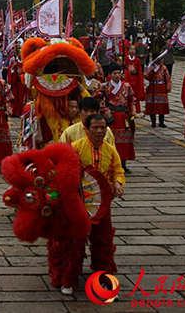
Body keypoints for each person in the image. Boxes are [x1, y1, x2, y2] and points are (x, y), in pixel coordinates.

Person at [52, 114, 125, 296]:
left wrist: (117, 182)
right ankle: (68, 279)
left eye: (103, 128)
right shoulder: (76, 148)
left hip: (102, 205)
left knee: (103, 242)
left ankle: (104, 279)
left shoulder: (110, 149)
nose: (100, 131)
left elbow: (117, 170)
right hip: (78, 204)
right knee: (74, 242)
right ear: (86, 128)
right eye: (95, 128)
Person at [95, 63, 136, 173]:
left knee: (125, 141)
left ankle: (123, 164)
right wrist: (105, 109)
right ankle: (111, 163)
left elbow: (132, 100)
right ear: (110, 75)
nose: (117, 75)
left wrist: (133, 110)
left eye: (119, 73)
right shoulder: (104, 86)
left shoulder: (126, 86)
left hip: (124, 117)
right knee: (112, 140)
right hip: (111, 116)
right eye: (114, 73)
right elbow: (99, 99)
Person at [144, 58, 171, 128]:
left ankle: (161, 122)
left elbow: (167, 78)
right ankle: (153, 122)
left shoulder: (164, 67)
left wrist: (168, 87)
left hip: (161, 87)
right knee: (152, 105)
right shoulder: (150, 66)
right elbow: (146, 76)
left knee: (162, 105)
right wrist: (151, 71)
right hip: (152, 87)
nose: (162, 60)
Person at [123, 46, 145, 114]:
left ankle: (136, 110)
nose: (132, 51)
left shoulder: (137, 60)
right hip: (127, 78)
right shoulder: (125, 59)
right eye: (131, 49)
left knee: (135, 94)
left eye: (133, 50)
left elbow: (139, 71)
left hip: (135, 78)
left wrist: (140, 80)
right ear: (128, 51)